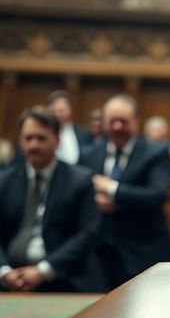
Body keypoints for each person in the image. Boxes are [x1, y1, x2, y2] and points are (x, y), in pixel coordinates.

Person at [0, 107, 103, 292]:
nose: (33, 145)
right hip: (10, 276)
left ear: (57, 140)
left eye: (41, 138)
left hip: (62, 278)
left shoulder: (79, 180)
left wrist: (43, 270)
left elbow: (88, 234)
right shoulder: (4, 181)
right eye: (28, 138)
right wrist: (4, 270)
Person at [78, 94, 170, 288]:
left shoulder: (156, 153)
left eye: (123, 121)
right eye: (113, 121)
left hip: (142, 254)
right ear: (104, 122)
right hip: (98, 256)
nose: (117, 127)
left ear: (136, 122)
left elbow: (157, 195)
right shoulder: (88, 154)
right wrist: (95, 200)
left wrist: (112, 189)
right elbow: (78, 196)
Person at [46, 90, 92, 165]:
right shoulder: (41, 135)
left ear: (70, 110)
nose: (58, 114)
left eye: (61, 111)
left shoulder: (85, 134)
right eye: (55, 111)